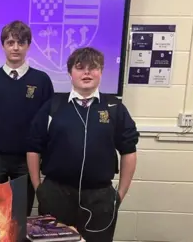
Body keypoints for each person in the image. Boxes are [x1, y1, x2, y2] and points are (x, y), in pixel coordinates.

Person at [26, 47, 139, 242]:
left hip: (99, 198)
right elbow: (33, 147)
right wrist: (39, 189)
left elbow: (129, 151)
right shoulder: (53, 106)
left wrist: (119, 195)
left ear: (101, 72)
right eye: (80, 68)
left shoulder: (114, 108)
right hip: (56, 195)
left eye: (93, 67)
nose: (87, 72)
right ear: (70, 73)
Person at [0, 20, 54, 216]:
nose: (15, 48)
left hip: (27, 158)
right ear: (3, 45)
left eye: (21, 43)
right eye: (11, 42)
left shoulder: (41, 80)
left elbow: (48, 122)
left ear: (28, 45)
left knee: (21, 213)